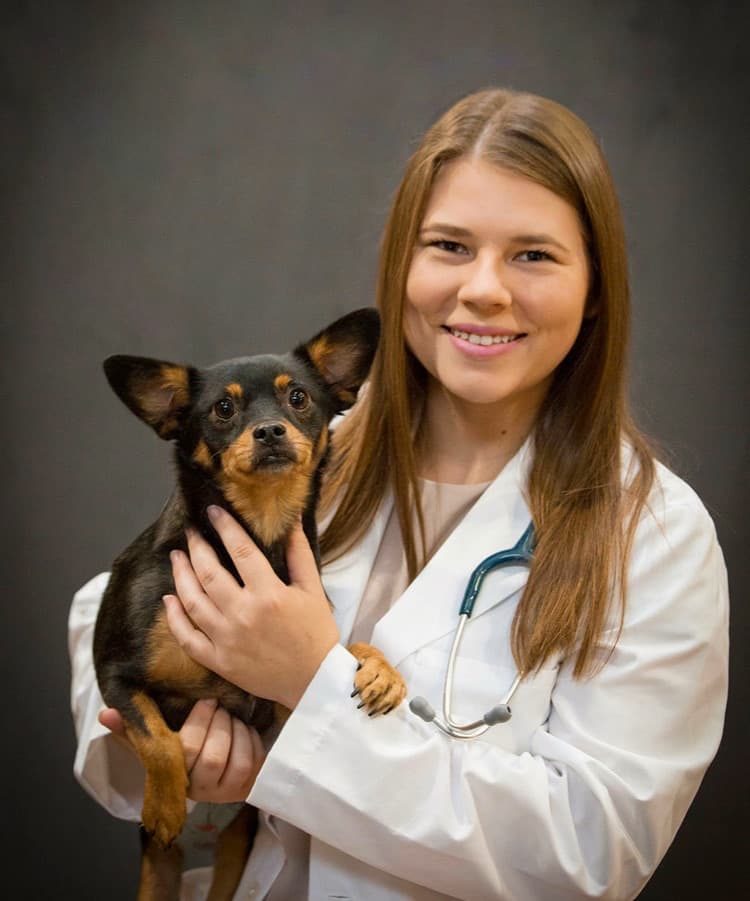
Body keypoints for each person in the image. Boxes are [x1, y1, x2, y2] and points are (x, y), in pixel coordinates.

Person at [69, 87, 729, 900]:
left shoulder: (657, 536)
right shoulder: (305, 455)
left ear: (595, 287)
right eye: (449, 245)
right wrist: (180, 745)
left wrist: (312, 686)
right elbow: (107, 612)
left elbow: (591, 850)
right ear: (400, 266)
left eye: (533, 254)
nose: (484, 289)